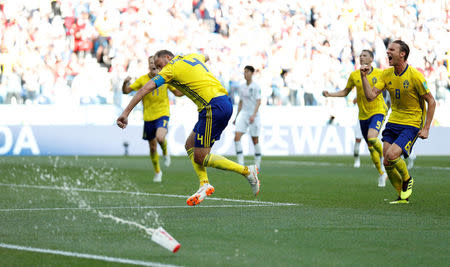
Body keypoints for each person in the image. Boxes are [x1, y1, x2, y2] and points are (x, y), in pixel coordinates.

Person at [117, 50, 260, 206]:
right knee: (189, 144)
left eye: (159, 65)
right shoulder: (191, 57)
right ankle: (204, 184)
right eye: (156, 67)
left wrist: (125, 113)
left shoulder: (170, 69)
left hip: (213, 107)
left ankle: (247, 171)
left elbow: (145, 89)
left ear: (168, 58)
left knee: (201, 157)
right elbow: (206, 55)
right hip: (218, 103)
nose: (159, 70)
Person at [360, 40, 436, 204]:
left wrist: (426, 128)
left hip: (412, 122)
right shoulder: (386, 74)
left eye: (392, 50)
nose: (388, 52)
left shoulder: (415, 76)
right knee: (387, 161)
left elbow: (432, 101)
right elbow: (370, 95)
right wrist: (363, 77)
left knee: (392, 155)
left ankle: (407, 179)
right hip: (393, 120)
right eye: (388, 49)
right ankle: (403, 196)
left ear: (402, 54)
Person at [323, 50, 388, 187]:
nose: (361, 57)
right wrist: (330, 95)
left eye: (364, 55)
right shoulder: (354, 75)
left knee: (371, 137)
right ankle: (382, 174)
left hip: (378, 111)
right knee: (371, 148)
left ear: (371, 59)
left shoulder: (380, 74)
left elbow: (387, 90)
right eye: (360, 56)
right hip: (363, 115)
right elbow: (345, 92)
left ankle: (385, 157)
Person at [122, 55, 183, 182]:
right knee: (152, 147)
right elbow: (126, 91)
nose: (152, 64)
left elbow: (177, 93)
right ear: (148, 65)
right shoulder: (142, 80)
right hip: (148, 117)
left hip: (163, 113)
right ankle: (157, 172)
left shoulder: (165, 77)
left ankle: (166, 152)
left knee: (160, 137)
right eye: (150, 62)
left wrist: (188, 87)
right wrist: (125, 82)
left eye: (154, 62)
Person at [233, 65, 262, 169]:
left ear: (251, 73)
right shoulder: (241, 87)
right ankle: (240, 164)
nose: (245, 74)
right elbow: (240, 102)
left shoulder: (256, 87)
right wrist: (236, 117)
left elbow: (259, 101)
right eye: (244, 72)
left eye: (247, 72)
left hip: (254, 115)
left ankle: (257, 165)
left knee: (255, 140)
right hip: (244, 114)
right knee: (236, 137)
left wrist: (254, 115)